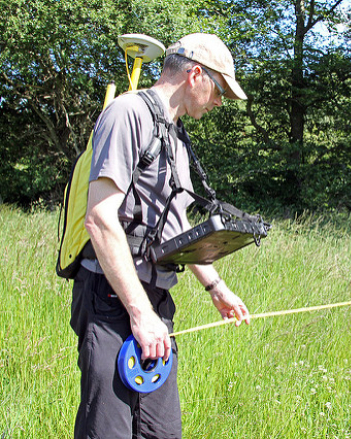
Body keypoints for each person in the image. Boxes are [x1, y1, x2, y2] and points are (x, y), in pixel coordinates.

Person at [69, 33, 250, 438]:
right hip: (109, 297)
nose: (221, 102)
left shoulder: (176, 138)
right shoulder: (126, 113)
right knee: (107, 431)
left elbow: (176, 227)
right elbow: (99, 218)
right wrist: (138, 312)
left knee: (161, 432)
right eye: (221, 90)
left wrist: (216, 287)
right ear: (196, 75)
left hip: (155, 301)